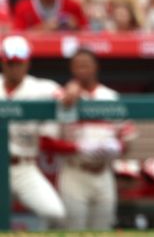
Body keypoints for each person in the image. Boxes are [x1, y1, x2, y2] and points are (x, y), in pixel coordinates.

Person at [0, 35, 83, 227]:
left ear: (27, 62)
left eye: (18, 63)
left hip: (23, 167)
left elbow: (68, 92)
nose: (14, 67)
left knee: (56, 214)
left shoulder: (41, 87)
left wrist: (73, 89)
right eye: (10, 63)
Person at [59, 48, 137, 230]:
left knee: (103, 230)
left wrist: (116, 147)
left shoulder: (110, 96)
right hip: (75, 171)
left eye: (86, 65)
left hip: (103, 173)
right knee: (74, 230)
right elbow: (47, 141)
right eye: (78, 66)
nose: (82, 70)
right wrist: (78, 148)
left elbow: (127, 138)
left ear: (96, 67)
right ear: (71, 69)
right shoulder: (63, 96)